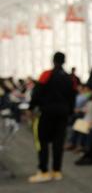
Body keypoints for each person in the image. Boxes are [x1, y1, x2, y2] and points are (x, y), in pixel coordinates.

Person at [28, 52, 76, 183]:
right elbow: (73, 97)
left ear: (53, 61)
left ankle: (44, 171)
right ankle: (56, 171)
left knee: (42, 142)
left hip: (47, 113)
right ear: (64, 61)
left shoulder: (46, 74)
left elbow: (37, 92)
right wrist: (69, 112)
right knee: (58, 142)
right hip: (63, 114)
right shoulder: (69, 78)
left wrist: (31, 108)